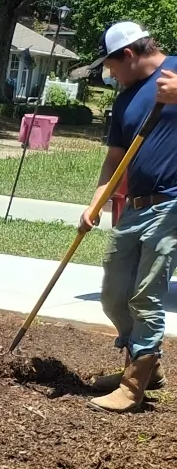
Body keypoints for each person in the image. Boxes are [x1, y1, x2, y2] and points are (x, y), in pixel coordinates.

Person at [81, 20, 177, 412]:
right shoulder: (124, 101)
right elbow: (114, 162)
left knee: (147, 292)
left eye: (111, 66)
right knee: (113, 293)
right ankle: (146, 364)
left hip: (171, 202)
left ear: (129, 55)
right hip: (136, 206)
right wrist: (94, 204)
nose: (110, 74)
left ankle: (134, 385)